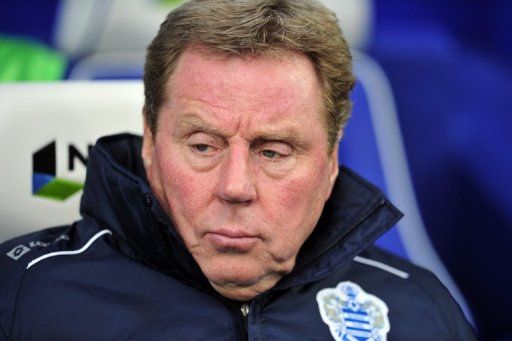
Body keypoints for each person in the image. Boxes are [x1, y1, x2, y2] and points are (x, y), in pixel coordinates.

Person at [0, 0, 476, 339]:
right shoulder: (20, 297)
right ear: (150, 143)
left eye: (273, 151)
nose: (235, 187)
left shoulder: (419, 311)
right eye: (204, 146)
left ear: (331, 161)